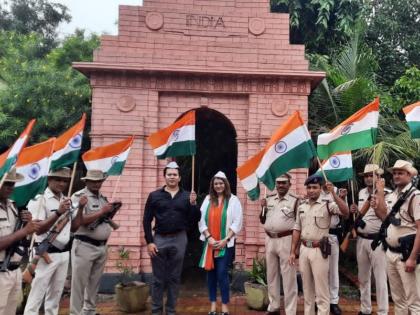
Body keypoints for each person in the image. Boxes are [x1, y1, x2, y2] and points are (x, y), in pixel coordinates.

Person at [24, 168, 86, 315]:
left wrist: (81, 208)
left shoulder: (67, 200)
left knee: (55, 296)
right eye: (58, 179)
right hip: (45, 252)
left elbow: (75, 227)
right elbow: (37, 229)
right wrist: (58, 212)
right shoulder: (40, 200)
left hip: (64, 253)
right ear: (49, 179)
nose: (62, 183)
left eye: (65, 180)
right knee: (36, 296)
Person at [143, 161, 200, 315]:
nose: (172, 177)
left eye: (175, 174)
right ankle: (156, 311)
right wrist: (149, 242)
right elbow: (146, 220)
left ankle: (171, 311)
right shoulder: (154, 196)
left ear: (179, 177)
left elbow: (195, 219)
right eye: (169, 174)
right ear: (165, 177)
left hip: (179, 239)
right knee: (158, 279)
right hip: (159, 239)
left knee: (174, 277)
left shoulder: (188, 196)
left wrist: (194, 205)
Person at [289, 175, 349, 315]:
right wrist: (293, 251)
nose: (311, 190)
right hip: (304, 249)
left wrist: (334, 193)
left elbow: (345, 213)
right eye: (309, 188)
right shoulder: (302, 206)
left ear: (320, 189)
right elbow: (297, 228)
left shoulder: (328, 204)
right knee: (307, 290)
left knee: (322, 291)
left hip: (319, 250)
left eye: (314, 187)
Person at [372, 160, 420, 314]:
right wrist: (379, 193)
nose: (396, 176)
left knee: (414, 302)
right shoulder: (392, 195)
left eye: (401, 173)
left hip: (406, 254)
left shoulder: (415, 196)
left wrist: (412, 257)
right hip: (391, 253)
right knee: (399, 300)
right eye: (394, 173)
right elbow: (384, 217)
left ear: (409, 175)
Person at [70, 170, 115, 315]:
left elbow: (103, 217)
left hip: (101, 246)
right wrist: (102, 211)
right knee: (79, 284)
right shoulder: (79, 197)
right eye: (93, 181)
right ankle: (75, 312)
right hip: (84, 245)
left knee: (94, 284)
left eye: (99, 181)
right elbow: (79, 221)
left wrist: (110, 212)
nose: (97, 184)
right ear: (86, 181)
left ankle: (89, 311)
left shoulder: (103, 198)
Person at [198, 171, 243, 315]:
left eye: (221, 183)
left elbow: (237, 222)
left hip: (225, 244)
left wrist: (226, 239)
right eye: (216, 183)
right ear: (213, 185)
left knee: (222, 274)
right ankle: (212, 304)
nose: (218, 186)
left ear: (225, 184)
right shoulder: (207, 199)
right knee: (210, 274)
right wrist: (209, 237)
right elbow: (201, 219)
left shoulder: (234, 200)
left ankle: (224, 305)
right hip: (209, 243)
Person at [0, 168, 41, 315]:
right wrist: (24, 231)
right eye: (6, 183)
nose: (10, 187)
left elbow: (20, 239)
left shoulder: (13, 206)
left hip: (14, 270)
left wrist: (26, 224)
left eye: (12, 184)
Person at [350, 164, 388, 315]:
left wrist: (379, 194)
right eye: (366, 176)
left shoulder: (387, 193)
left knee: (380, 278)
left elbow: (385, 217)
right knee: (363, 277)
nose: (368, 178)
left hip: (377, 240)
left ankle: (383, 311)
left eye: (371, 175)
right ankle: (365, 309)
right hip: (361, 239)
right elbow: (361, 215)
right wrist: (355, 211)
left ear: (378, 177)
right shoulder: (361, 193)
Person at [259, 173, 299, 315]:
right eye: (278, 183)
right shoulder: (269, 199)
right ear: (275, 184)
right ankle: (274, 306)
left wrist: (295, 248)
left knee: (289, 277)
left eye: (283, 183)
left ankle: (290, 311)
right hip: (270, 239)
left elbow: (298, 225)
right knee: (271, 275)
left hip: (286, 240)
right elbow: (263, 220)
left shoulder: (295, 200)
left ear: (289, 184)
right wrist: (262, 208)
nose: (280, 185)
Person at [320, 183, 347, 315]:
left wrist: (339, 196)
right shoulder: (315, 190)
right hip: (318, 235)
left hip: (332, 234)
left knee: (333, 270)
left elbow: (345, 213)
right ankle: (319, 299)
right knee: (319, 270)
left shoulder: (337, 191)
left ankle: (333, 301)